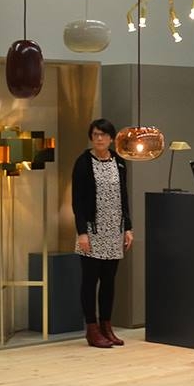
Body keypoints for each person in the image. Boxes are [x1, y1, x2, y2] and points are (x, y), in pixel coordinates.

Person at [70, 118, 133, 349]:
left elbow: (123, 196)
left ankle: (107, 326)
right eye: (95, 134)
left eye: (104, 135)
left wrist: (128, 227)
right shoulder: (83, 163)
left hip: (114, 230)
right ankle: (92, 329)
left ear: (111, 138)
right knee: (90, 281)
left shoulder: (119, 162)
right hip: (92, 231)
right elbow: (77, 201)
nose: (99, 138)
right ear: (91, 137)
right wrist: (82, 233)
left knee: (109, 281)